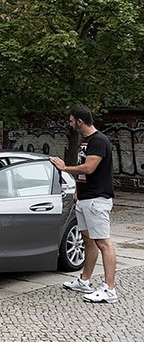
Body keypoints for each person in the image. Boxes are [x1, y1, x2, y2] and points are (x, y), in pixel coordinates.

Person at [49, 106, 117, 303]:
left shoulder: (98, 141)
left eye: (71, 121)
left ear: (79, 121)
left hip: (97, 200)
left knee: (103, 242)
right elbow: (88, 174)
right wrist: (78, 191)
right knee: (88, 240)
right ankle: (84, 281)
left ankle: (109, 289)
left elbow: (88, 168)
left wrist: (64, 168)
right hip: (86, 198)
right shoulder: (86, 141)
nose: (70, 124)